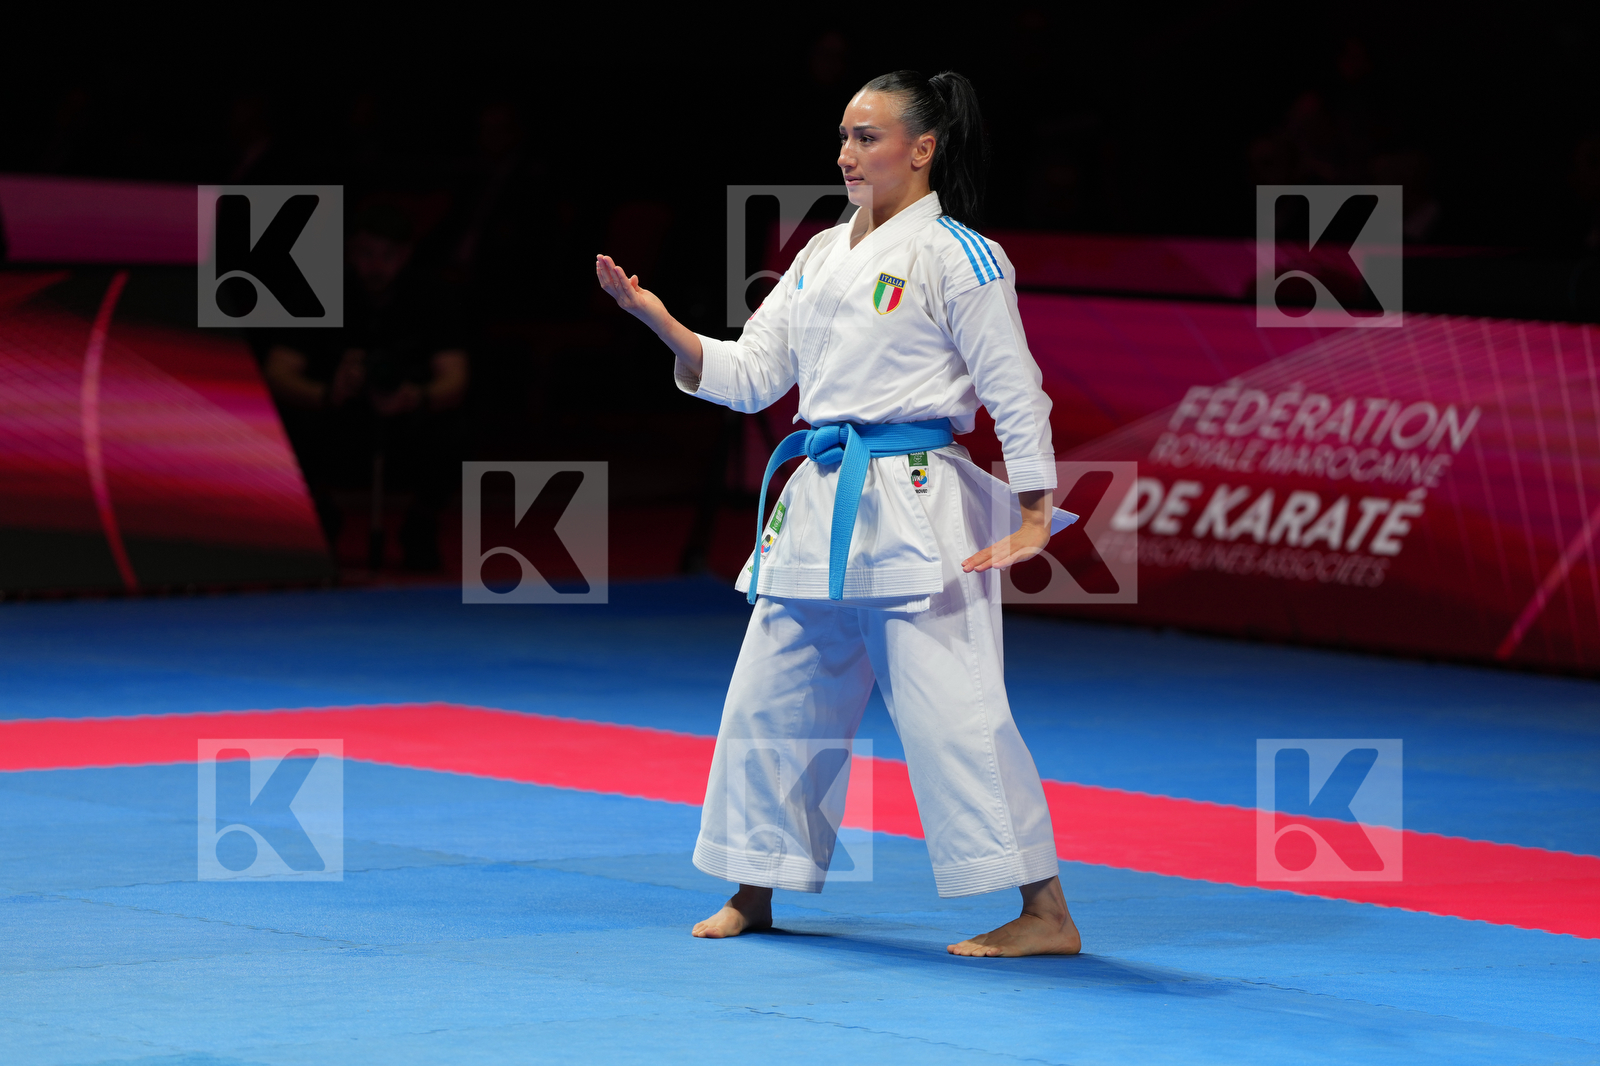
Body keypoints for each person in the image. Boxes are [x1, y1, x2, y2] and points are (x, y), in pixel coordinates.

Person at [595, 70, 1082, 958]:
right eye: (844, 137)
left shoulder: (961, 256)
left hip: (917, 503)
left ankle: (1045, 912)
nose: (846, 154)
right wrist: (662, 322)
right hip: (820, 502)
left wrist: (1036, 513)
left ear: (922, 149)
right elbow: (751, 378)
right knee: (772, 700)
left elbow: (1018, 392)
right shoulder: (821, 253)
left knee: (954, 714)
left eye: (867, 137)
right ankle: (756, 886)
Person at [263, 202, 468, 569]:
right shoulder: (316, 290)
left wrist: (415, 397)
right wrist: (325, 393)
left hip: (405, 419)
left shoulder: (434, 294)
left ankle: (421, 523)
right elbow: (278, 371)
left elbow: (454, 378)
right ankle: (319, 512)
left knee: (458, 427)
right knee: (283, 422)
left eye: (389, 255)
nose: (376, 266)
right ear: (348, 251)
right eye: (366, 253)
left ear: (406, 254)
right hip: (337, 418)